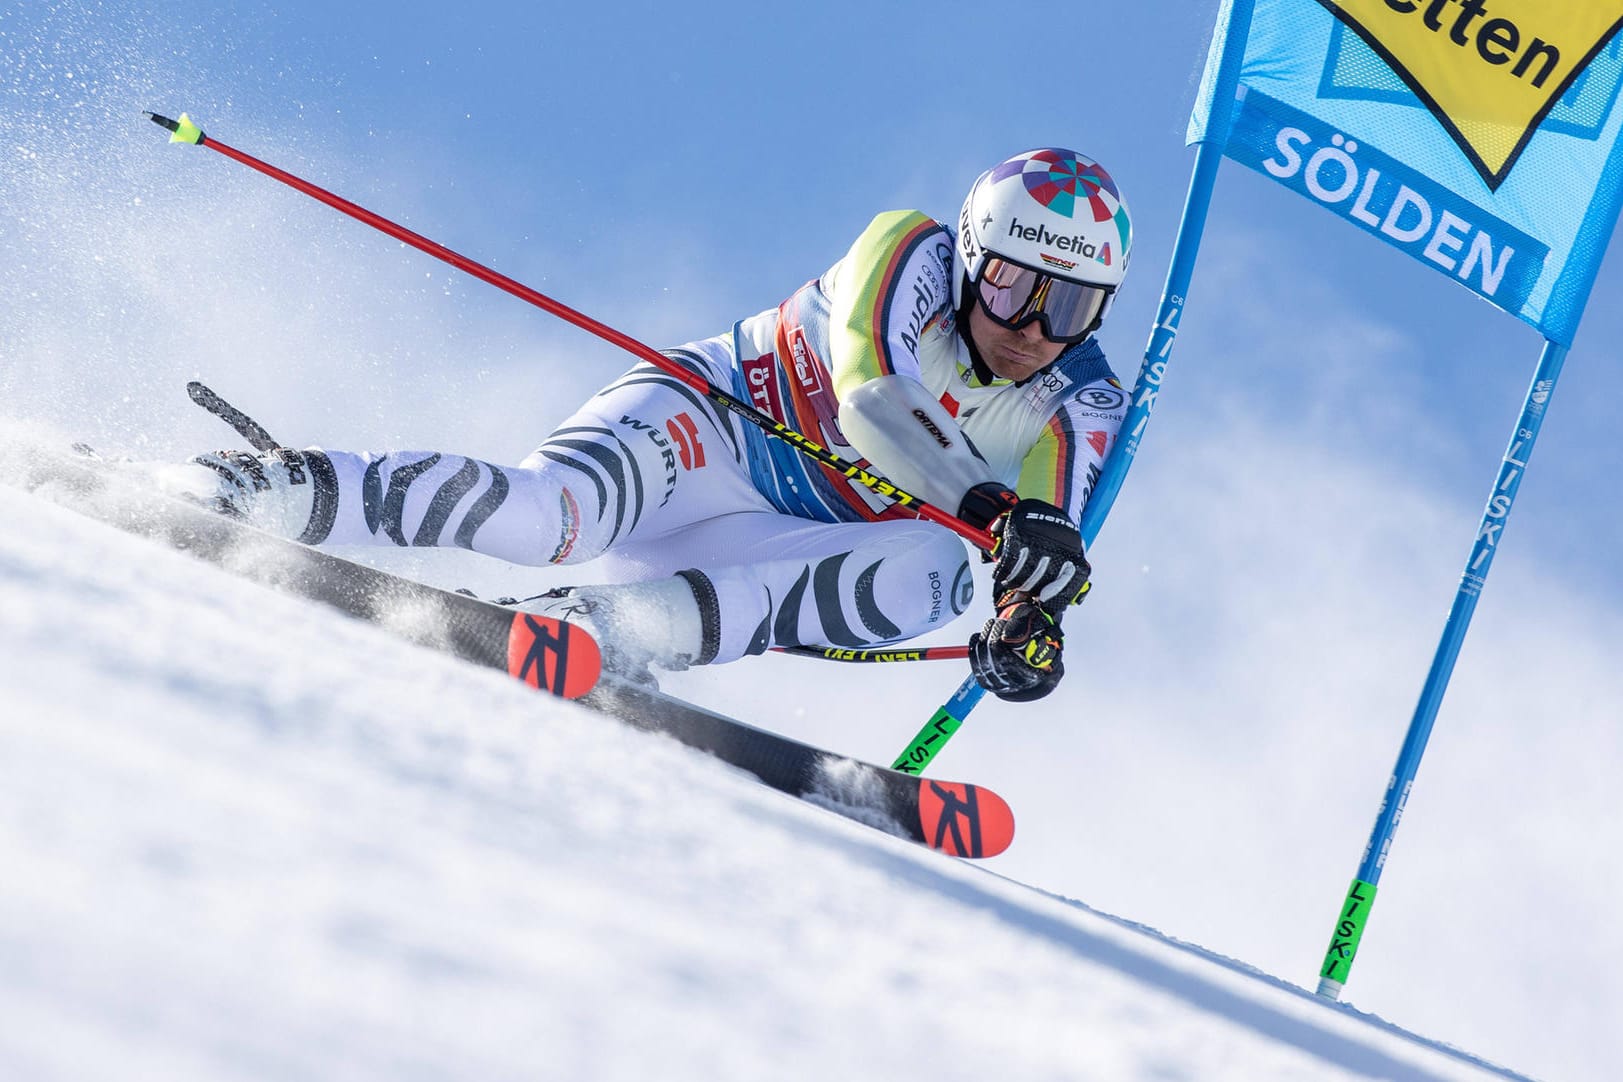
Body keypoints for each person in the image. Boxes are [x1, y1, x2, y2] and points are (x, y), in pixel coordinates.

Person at [189, 147, 1132, 701]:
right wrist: (993, 506)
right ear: (971, 257)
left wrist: (1028, 618)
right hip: (711, 427)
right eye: (1012, 287)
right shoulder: (906, 250)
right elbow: (871, 398)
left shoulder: (1080, 401)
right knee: (548, 519)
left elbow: (1037, 552)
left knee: (934, 580)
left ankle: (594, 632)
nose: (1031, 331)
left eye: (1072, 309)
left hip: (773, 534)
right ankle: (268, 486)